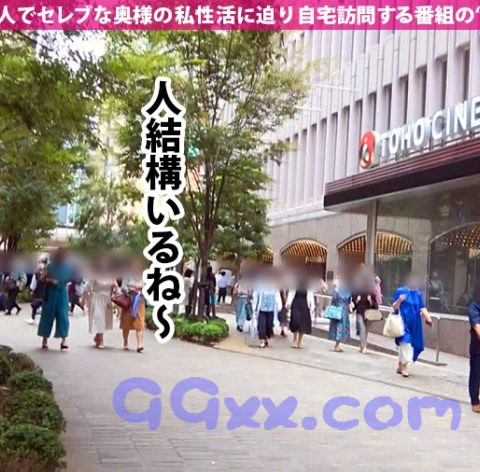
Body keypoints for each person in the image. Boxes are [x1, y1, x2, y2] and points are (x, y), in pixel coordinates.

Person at [392, 272, 433, 377]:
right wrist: (399, 300)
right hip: (403, 322)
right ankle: (404, 367)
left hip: (415, 324)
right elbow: (394, 307)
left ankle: (400, 365)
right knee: (405, 343)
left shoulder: (418, 294)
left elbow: (422, 308)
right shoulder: (401, 291)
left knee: (412, 345)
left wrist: (428, 318)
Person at [37, 248, 71, 350]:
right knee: (47, 315)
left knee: (63, 316)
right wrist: (50, 280)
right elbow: (41, 278)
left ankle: (64, 340)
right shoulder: (50, 266)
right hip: (51, 293)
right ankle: (45, 339)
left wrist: (59, 282)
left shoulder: (67, 267)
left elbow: (69, 280)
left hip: (62, 293)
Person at [85, 262, 117, 349]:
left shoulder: (111, 276)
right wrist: (84, 300)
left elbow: (116, 289)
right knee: (99, 318)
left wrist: (114, 287)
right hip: (96, 298)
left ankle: (97, 336)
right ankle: (101, 340)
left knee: (104, 320)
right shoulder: (94, 275)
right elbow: (87, 287)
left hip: (107, 299)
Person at [120, 262, 146, 353]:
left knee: (139, 322)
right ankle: (125, 342)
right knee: (126, 322)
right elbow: (123, 287)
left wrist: (141, 288)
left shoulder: (144, 275)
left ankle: (139, 344)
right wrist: (130, 289)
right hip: (128, 301)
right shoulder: (127, 274)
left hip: (140, 301)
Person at [287, 281, 315, 349]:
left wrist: (312, 306)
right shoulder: (295, 283)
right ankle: (294, 340)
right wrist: (288, 302)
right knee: (295, 321)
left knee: (303, 323)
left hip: (305, 304)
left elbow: (311, 296)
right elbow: (291, 293)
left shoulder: (309, 285)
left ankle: (300, 341)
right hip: (296, 303)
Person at [253, 284, 280, 349]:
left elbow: (278, 298)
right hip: (262, 310)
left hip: (271, 310)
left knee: (269, 326)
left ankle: (266, 338)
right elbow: (255, 296)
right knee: (262, 325)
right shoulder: (259, 286)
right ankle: (262, 341)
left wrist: (279, 306)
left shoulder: (275, 288)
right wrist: (254, 307)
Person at [328, 281, 352, 352]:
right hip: (343, 310)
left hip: (339, 309)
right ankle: (337, 344)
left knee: (339, 326)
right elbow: (349, 301)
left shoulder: (338, 290)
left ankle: (337, 344)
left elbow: (334, 299)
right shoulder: (348, 291)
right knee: (341, 326)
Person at [468, 281, 480, 413]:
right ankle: (475, 402)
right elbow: (477, 327)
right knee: (476, 374)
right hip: (477, 349)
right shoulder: (474, 307)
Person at [353, 289, 378, 354]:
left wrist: (370, 300)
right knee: (362, 329)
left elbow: (375, 305)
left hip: (369, 313)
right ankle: (364, 346)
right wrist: (357, 300)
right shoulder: (357, 291)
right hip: (360, 312)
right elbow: (354, 303)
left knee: (365, 330)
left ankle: (362, 345)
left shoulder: (371, 293)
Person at [27, 260, 48, 325]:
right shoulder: (37, 274)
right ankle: (33, 318)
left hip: (45, 292)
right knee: (35, 305)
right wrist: (32, 290)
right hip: (40, 292)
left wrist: (32, 290)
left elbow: (34, 283)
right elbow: (34, 283)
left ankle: (42, 319)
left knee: (43, 306)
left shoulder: (47, 273)